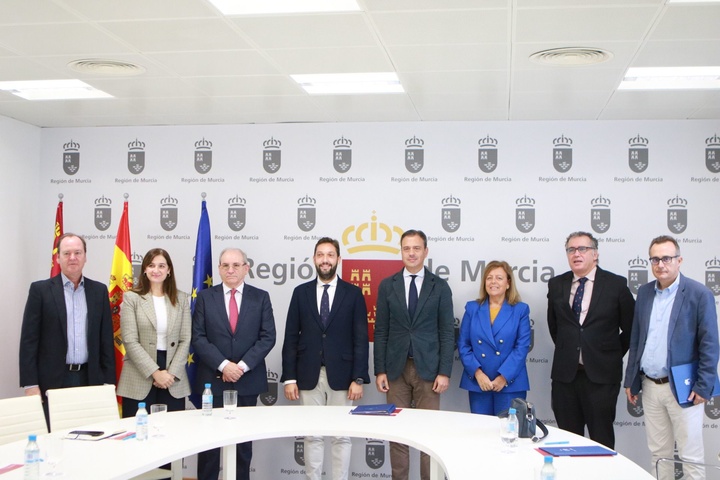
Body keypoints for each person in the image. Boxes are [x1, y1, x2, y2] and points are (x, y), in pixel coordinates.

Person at [624, 236, 719, 480]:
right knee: (658, 454)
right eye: (655, 259)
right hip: (650, 386)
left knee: (691, 456)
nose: (661, 264)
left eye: (667, 258)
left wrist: (704, 386)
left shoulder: (699, 293)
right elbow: (636, 340)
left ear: (679, 260)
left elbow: (710, 344)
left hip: (684, 387)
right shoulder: (645, 293)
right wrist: (631, 380)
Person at [281, 237, 369, 480]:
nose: (325, 260)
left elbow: (361, 339)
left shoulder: (353, 294)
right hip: (308, 375)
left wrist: (358, 378)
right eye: (320, 255)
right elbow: (290, 337)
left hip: (343, 376)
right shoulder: (301, 293)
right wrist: (289, 378)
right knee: (313, 435)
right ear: (314, 259)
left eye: (330, 255)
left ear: (339, 259)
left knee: (341, 435)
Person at [374, 229, 454, 480]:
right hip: (395, 369)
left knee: (427, 434)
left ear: (425, 252)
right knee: (397, 434)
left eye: (416, 248)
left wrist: (444, 371)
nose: (411, 253)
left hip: (429, 371)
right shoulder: (388, 285)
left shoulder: (439, 286)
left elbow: (446, 333)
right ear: (401, 251)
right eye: (406, 248)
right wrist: (380, 370)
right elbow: (381, 330)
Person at [192, 247, 276, 480]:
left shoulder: (261, 297)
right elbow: (198, 337)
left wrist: (240, 367)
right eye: (225, 265)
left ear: (246, 268)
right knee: (209, 447)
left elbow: (268, 336)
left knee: (242, 448)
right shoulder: (205, 297)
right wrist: (223, 365)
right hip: (212, 382)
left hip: (247, 382)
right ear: (219, 269)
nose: (230, 270)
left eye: (236, 265)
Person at [547, 231, 634, 449]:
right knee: (567, 442)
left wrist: (607, 354)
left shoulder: (616, 284)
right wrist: (573, 349)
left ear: (595, 254)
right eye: (571, 249)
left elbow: (632, 330)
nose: (576, 254)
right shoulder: (556, 285)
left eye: (582, 249)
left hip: (601, 378)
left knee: (601, 441)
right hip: (565, 377)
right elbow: (555, 327)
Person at [19, 233, 115, 422]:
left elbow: (106, 340)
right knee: (55, 440)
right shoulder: (40, 291)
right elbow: (29, 341)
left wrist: (108, 382)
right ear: (58, 257)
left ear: (85, 257)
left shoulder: (99, 291)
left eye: (78, 252)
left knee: (90, 435)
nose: (73, 258)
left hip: (90, 379)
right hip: (53, 381)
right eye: (67, 253)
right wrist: (30, 384)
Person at [117, 248, 191, 417]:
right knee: (137, 434)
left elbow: (185, 339)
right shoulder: (131, 298)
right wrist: (155, 373)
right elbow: (129, 340)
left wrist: (170, 373)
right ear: (144, 269)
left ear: (169, 270)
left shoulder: (181, 299)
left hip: (172, 375)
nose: (156, 270)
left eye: (161, 266)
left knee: (172, 435)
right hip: (139, 372)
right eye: (151, 265)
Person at [457, 260, 531, 415]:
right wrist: (478, 374)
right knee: (481, 433)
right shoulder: (472, 308)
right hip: (479, 383)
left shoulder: (520, 310)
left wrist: (504, 377)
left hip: (509, 383)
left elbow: (522, 347)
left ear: (508, 283)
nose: (493, 282)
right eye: (489, 278)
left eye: (499, 278)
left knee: (509, 432)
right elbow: (464, 344)